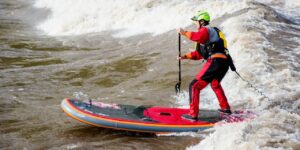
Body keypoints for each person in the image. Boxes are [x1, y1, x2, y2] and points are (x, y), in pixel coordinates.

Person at [177, 11, 232, 121]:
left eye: (196, 22)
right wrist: (184, 56)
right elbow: (199, 54)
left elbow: (197, 36)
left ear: (202, 22)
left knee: (194, 86)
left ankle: (193, 115)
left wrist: (183, 32)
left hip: (215, 61)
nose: (195, 24)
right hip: (224, 62)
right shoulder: (209, 35)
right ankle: (225, 108)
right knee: (215, 84)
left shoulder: (206, 30)